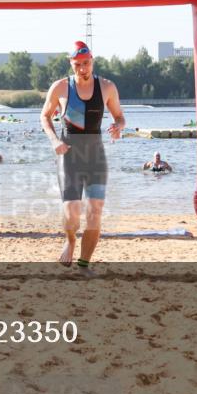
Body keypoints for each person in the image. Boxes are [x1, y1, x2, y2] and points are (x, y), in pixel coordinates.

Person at [40, 41, 126, 274]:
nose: (82, 69)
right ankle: (69, 240)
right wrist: (54, 140)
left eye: (86, 63)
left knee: (95, 210)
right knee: (71, 212)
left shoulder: (107, 87)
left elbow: (119, 116)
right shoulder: (60, 87)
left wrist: (118, 126)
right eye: (77, 65)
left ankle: (84, 264)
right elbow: (45, 117)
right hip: (69, 156)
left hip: (96, 156)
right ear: (71, 64)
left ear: (92, 61)